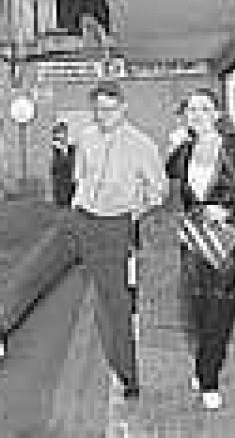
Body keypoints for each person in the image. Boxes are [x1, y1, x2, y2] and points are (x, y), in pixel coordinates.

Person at [165, 88, 235, 410]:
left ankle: (209, 378)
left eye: (204, 108)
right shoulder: (183, 151)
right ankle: (205, 360)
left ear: (216, 114)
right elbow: (172, 182)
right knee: (196, 308)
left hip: (229, 242)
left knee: (222, 309)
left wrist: (229, 212)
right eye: (191, 110)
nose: (197, 115)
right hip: (194, 242)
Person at [72, 80, 167, 400]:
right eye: (98, 109)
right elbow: (80, 175)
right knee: (101, 295)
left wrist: (134, 211)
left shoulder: (141, 144)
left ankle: (128, 372)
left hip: (116, 224)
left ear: (124, 108)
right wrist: (78, 204)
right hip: (86, 221)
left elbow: (159, 190)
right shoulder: (86, 137)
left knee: (116, 300)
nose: (103, 115)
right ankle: (117, 359)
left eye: (110, 109)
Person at [50, 121, 76, 207]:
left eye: (61, 133)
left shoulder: (74, 150)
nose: (59, 137)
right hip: (59, 197)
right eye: (56, 135)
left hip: (74, 195)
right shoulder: (54, 152)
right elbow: (55, 173)